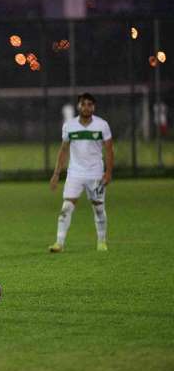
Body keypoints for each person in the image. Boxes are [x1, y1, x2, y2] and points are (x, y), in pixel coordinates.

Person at [49, 93, 114, 252]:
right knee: (66, 207)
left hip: (96, 174)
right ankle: (59, 243)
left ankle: (101, 241)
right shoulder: (69, 126)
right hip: (75, 174)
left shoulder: (102, 125)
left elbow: (109, 150)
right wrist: (57, 173)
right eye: (83, 104)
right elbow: (63, 150)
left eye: (90, 104)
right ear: (79, 106)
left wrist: (108, 173)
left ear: (94, 107)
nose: (86, 107)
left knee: (98, 207)